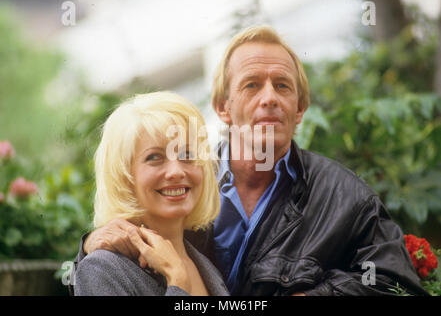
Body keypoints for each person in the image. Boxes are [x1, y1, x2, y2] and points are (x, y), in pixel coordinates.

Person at [71, 25, 428, 296]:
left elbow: (394, 282)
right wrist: (90, 244)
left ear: (300, 108)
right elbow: (108, 271)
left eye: (283, 86)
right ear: (222, 107)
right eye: (252, 85)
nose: (269, 98)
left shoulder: (347, 196)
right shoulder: (186, 183)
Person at [73, 92, 229, 296]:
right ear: (124, 176)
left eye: (187, 155)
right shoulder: (102, 270)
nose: (176, 171)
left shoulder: (204, 263)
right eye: (154, 157)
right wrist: (178, 283)